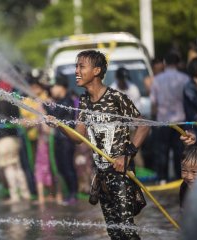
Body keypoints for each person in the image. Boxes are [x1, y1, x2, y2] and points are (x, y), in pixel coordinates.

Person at [46, 50, 149, 239]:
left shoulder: (116, 98)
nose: (76, 71)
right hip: (101, 176)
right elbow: (79, 138)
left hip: (121, 175)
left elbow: (143, 125)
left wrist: (126, 155)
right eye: (76, 66)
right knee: (113, 232)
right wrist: (59, 125)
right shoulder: (84, 101)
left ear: (96, 71)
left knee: (127, 230)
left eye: (81, 66)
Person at [150, 51, 189, 183]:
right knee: (179, 150)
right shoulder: (184, 78)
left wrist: (153, 119)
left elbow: (154, 103)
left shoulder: (157, 79)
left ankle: (163, 178)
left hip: (163, 121)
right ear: (178, 63)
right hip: (180, 120)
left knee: (162, 150)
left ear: (165, 63)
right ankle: (180, 177)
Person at [46, 75, 78, 205]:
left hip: (66, 140)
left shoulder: (67, 102)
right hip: (58, 139)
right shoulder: (59, 101)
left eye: (54, 86)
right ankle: (69, 193)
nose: (52, 89)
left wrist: (46, 107)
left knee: (68, 166)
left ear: (61, 87)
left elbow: (56, 116)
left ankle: (73, 194)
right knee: (61, 167)